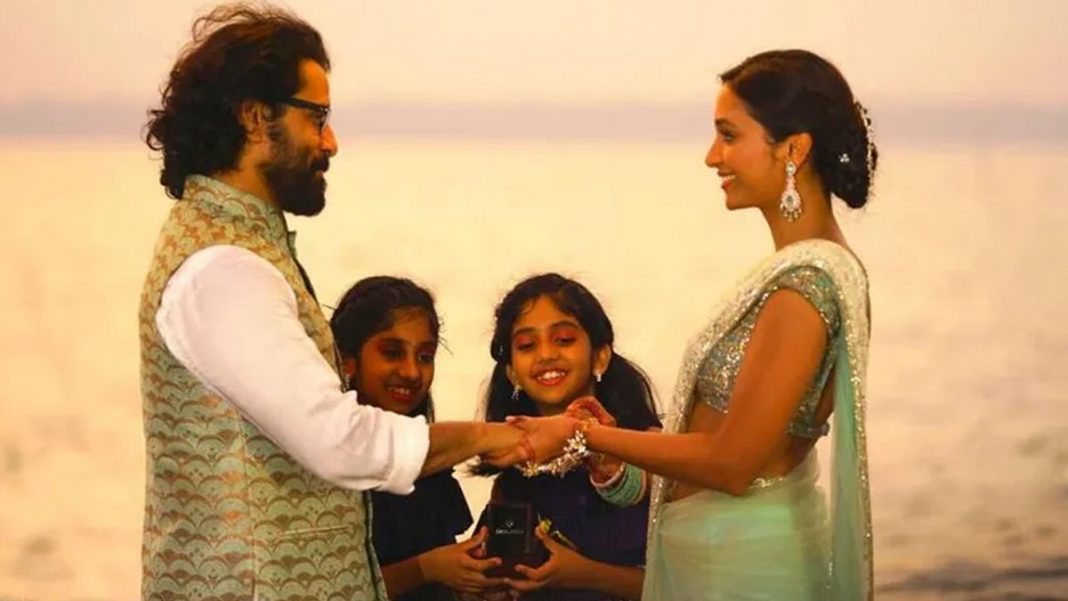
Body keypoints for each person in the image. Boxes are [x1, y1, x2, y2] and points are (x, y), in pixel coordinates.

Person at [139, 6, 524, 600]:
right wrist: (492, 437)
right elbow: (340, 442)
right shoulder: (223, 268)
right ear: (254, 117)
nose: (331, 141)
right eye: (316, 117)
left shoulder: (241, 250)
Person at [510, 50, 876, 600]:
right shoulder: (804, 273)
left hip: (741, 572)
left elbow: (733, 463)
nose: (712, 156)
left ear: (793, 149)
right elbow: (731, 442)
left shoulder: (804, 289)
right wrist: (617, 450)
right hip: (720, 556)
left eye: (729, 136)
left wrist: (582, 434)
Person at [473, 274, 661, 601]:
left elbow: (685, 584)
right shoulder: (513, 478)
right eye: (527, 345)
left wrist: (584, 575)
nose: (546, 354)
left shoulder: (650, 449)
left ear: (600, 357)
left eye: (563, 339)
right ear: (512, 372)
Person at [330, 276, 504, 600]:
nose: (412, 372)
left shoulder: (431, 464)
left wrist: (472, 582)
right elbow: (327, 587)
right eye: (392, 353)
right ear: (347, 360)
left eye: (425, 357)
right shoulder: (325, 462)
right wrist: (426, 569)